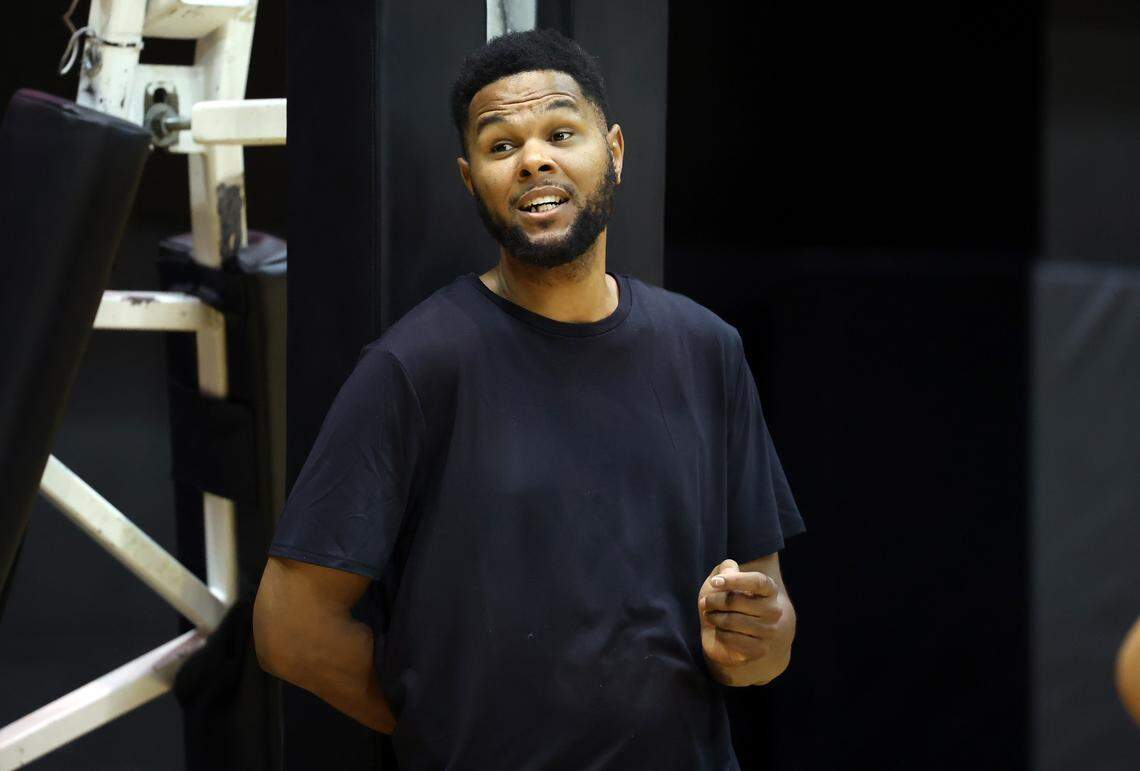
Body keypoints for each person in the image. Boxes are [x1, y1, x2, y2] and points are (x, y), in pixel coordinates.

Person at [253, 28, 805, 770]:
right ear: (469, 176)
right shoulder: (416, 365)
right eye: (500, 144)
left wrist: (753, 641)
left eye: (560, 132)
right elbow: (290, 626)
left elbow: (768, 636)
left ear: (613, 150)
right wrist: (438, 728)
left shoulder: (707, 349)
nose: (534, 158)